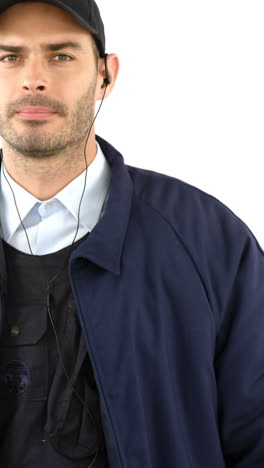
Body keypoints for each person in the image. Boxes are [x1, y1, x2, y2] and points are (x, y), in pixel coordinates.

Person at [0, 1, 263, 467]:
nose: (32, 79)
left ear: (106, 74)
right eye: (9, 57)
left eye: (61, 56)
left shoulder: (208, 241)